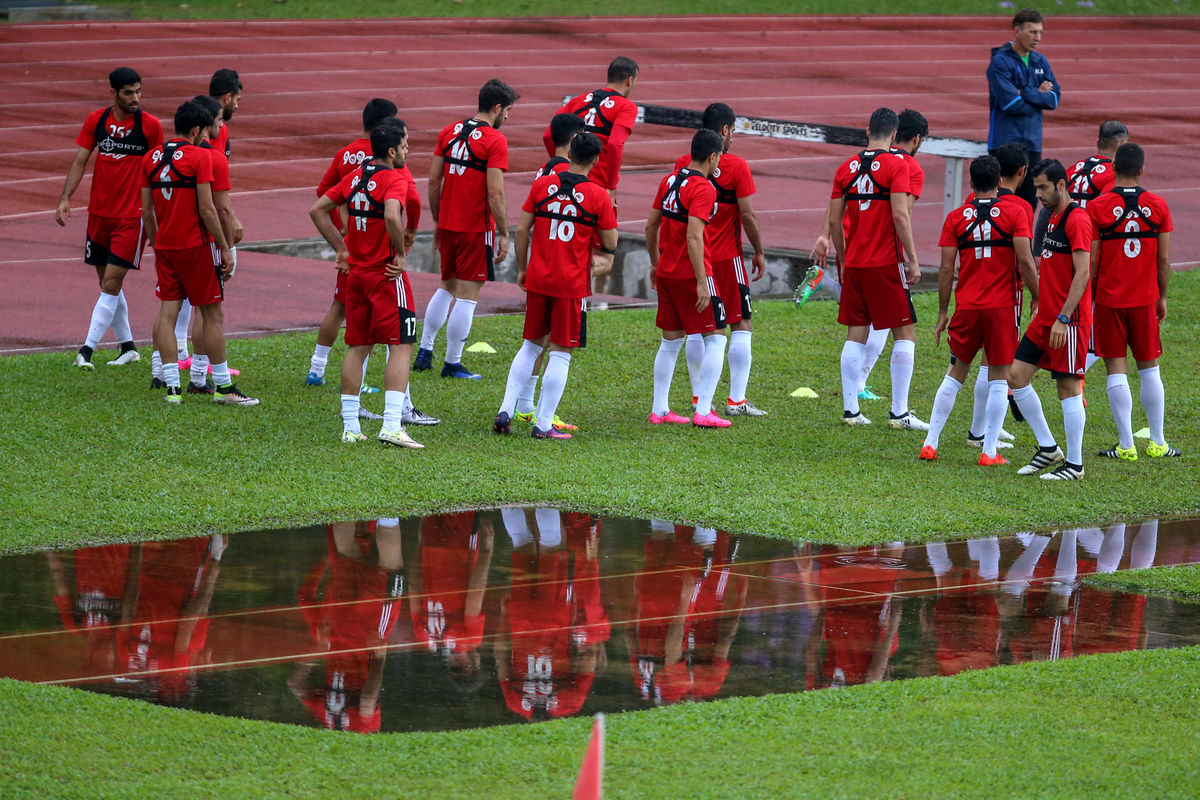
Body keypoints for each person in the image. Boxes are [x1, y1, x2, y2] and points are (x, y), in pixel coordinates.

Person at [307, 98, 439, 427]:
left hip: (356, 274)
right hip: (384, 274)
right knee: (402, 344)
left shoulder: (354, 176)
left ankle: (351, 425)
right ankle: (394, 424)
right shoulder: (393, 178)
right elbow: (395, 213)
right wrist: (401, 253)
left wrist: (342, 247)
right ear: (392, 151)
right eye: (406, 146)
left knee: (357, 345)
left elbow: (317, 209)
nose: (408, 151)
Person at [493, 132, 618, 440]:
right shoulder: (598, 195)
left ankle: (506, 409)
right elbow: (611, 243)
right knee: (561, 353)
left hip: (539, 276)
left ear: (570, 152)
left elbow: (522, 230)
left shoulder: (541, 185)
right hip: (570, 284)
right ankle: (543, 423)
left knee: (531, 345)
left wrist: (523, 267)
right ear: (596, 160)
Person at [919, 156, 1037, 465]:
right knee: (999, 378)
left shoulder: (956, 217)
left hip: (967, 307)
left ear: (970, 184)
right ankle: (988, 451)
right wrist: (1038, 296)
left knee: (955, 373)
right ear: (1000, 182)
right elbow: (1025, 260)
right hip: (1001, 308)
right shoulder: (1016, 212)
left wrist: (944, 311)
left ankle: (930, 443)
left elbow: (946, 269)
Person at [142, 101, 254, 406]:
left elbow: (147, 212)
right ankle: (222, 387)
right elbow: (207, 208)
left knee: (168, 314)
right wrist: (225, 246)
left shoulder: (151, 157)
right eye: (205, 131)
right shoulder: (200, 157)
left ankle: (172, 389)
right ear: (195, 130)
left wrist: (157, 243)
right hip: (196, 247)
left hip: (165, 246)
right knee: (211, 314)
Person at [822, 107, 924, 429]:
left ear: (867, 130)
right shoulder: (897, 165)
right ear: (894, 135)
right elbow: (900, 215)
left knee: (856, 332)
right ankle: (899, 413)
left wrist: (844, 256)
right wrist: (912, 256)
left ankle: (851, 411)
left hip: (855, 263)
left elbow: (835, 221)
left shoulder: (844, 168)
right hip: (885, 263)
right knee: (904, 334)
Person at [57, 67, 164, 370]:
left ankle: (86, 351)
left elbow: (157, 172)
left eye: (138, 91)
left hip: (131, 216)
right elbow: (79, 162)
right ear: (114, 93)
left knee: (112, 282)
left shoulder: (150, 126)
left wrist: (157, 214)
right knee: (107, 283)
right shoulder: (97, 121)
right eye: (129, 92)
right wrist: (65, 198)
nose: (135, 98)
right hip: (98, 215)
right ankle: (128, 347)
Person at [414, 79, 517, 380]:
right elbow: (495, 192)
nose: (507, 118)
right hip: (474, 226)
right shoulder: (494, 140)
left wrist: (437, 221)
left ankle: (424, 351)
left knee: (446, 286)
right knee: (469, 295)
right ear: (497, 108)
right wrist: (503, 232)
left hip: (447, 222)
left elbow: (434, 181)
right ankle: (452, 363)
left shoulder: (449, 131)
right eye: (508, 111)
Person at [675, 103, 768, 417]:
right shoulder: (737, 167)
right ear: (725, 130)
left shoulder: (682, 164)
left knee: (699, 327)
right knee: (740, 322)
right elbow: (749, 214)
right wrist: (758, 249)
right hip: (727, 258)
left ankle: (699, 397)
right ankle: (736, 400)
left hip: (694, 257)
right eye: (733, 130)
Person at [1087, 143, 1179, 460]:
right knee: (1149, 368)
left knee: (1116, 370)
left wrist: (1092, 297)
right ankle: (1158, 442)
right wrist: (1162, 296)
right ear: (1141, 170)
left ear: (1113, 170)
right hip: (1144, 300)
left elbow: (1092, 260)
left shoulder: (1097, 207)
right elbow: (1163, 260)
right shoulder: (1158, 205)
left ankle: (1126, 446)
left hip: (1109, 300)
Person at [1008, 159, 1094, 480]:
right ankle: (1048, 448)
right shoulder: (1053, 215)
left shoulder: (1077, 220)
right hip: (1045, 317)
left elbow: (1083, 273)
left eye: (1043, 187)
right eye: (1036, 188)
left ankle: (1074, 465)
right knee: (1016, 377)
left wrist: (1063, 316)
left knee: (1068, 389)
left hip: (1066, 322)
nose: (1038, 194)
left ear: (1061, 185)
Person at [645, 129, 730, 429]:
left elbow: (650, 226)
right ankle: (703, 410)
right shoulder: (704, 188)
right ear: (712, 157)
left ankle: (660, 409)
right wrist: (701, 280)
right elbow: (694, 236)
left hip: (667, 272)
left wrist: (656, 264)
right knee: (717, 336)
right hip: (689, 274)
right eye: (719, 155)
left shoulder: (670, 180)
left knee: (670, 342)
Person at [509, 113, 587, 433]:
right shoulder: (566, 173)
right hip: (560, 268)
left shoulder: (546, 167)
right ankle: (537, 412)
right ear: (577, 138)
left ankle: (525, 407)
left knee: (537, 340)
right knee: (553, 345)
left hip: (540, 263)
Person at [854, 108, 929, 404]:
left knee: (872, 321)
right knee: (900, 327)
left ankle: (858, 384)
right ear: (918, 138)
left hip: (859, 247)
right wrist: (910, 256)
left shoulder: (869, 160)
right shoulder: (910, 167)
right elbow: (903, 214)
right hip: (888, 254)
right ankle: (896, 407)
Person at [546, 56, 638, 293]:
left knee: (563, 244)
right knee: (604, 257)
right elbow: (616, 144)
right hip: (596, 188)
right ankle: (572, 294)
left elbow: (549, 134)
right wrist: (610, 185)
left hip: (564, 181)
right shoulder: (626, 107)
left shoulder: (578, 100)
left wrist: (560, 165)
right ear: (630, 81)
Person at [987, 7, 1061, 210]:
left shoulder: (1040, 61)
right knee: (999, 206)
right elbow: (1010, 104)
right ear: (1016, 31)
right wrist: (1039, 96)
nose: (1037, 38)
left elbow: (1054, 99)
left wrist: (1026, 93)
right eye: (1032, 32)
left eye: (1040, 32)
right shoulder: (1000, 62)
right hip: (1004, 143)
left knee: (1028, 206)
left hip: (1032, 145)